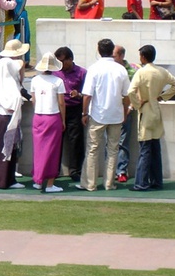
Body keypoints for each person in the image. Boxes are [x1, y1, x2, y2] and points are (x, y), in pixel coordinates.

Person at [127, 44, 175, 192]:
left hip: (145, 111)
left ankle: (141, 182)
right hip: (156, 110)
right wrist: (162, 97)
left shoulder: (141, 72)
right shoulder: (162, 71)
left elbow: (131, 91)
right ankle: (156, 181)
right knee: (155, 149)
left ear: (143, 57)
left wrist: (137, 104)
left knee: (145, 149)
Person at [79, 38, 131, 192]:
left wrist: (84, 113)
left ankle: (90, 183)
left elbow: (87, 95)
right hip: (115, 115)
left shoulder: (94, 68)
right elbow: (126, 95)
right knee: (113, 149)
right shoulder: (120, 69)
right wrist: (125, 110)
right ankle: (109, 183)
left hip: (98, 115)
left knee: (93, 149)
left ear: (99, 50)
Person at [0, 39, 28, 189]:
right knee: (9, 148)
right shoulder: (12, 87)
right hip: (8, 118)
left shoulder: (0, 79)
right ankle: (6, 180)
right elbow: (20, 79)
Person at [30, 52, 65, 193]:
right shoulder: (58, 81)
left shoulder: (35, 80)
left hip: (38, 116)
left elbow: (33, 100)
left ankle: (38, 180)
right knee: (52, 151)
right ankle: (49, 183)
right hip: (52, 117)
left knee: (39, 150)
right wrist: (63, 120)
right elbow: (61, 103)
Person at [54, 46, 86, 182]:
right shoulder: (55, 73)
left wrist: (78, 95)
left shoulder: (82, 72)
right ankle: (54, 169)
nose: (60, 65)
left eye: (63, 61)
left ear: (71, 59)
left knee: (75, 141)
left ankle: (75, 170)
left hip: (74, 109)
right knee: (56, 141)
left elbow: (88, 93)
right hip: (57, 110)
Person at [111, 45, 137, 183]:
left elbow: (133, 92)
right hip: (110, 110)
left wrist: (130, 107)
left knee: (122, 142)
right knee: (109, 143)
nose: (112, 58)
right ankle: (110, 171)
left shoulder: (132, 72)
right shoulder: (108, 69)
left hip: (125, 110)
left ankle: (121, 171)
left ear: (121, 56)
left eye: (114, 56)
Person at [7, 0, 31, 64]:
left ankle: (26, 60)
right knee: (17, 39)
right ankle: (16, 58)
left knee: (26, 38)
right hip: (15, 20)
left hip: (24, 20)